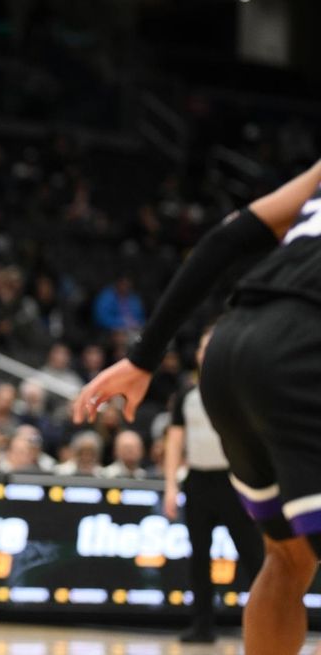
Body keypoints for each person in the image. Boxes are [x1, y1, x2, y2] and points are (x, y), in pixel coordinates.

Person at [76, 159, 321, 655]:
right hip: (304, 344)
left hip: (232, 344)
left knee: (288, 558)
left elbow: (224, 241)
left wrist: (143, 358)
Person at [162, 328, 263, 643]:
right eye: (205, 347)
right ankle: (203, 626)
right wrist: (170, 485)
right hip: (198, 482)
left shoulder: (242, 390)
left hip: (235, 481)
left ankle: (264, 621)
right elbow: (175, 441)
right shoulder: (186, 395)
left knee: (253, 557)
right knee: (199, 558)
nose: (209, 352)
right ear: (198, 354)